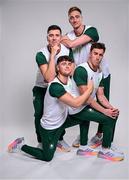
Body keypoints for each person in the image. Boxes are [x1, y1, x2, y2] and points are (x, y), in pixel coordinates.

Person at [8, 55, 93, 162]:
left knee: (85, 116)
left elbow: (74, 100)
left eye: (69, 64)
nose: (67, 66)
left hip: (63, 121)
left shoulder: (70, 81)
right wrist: (89, 90)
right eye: (63, 64)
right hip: (50, 127)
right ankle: (20, 145)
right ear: (57, 68)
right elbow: (75, 103)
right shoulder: (55, 86)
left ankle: (84, 146)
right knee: (47, 157)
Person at [61, 6, 111, 147]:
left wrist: (65, 40)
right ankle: (83, 138)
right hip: (83, 72)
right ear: (69, 20)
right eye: (71, 17)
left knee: (102, 101)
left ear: (81, 17)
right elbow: (67, 55)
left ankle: (100, 135)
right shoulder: (69, 34)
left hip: (100, 72)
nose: (74, 19)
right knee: (85, 102)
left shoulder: (91, 30)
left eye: (77, 16)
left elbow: (71, 44)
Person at [68, 42, 124, 161]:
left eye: (100, 54)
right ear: (90, 54)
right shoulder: (81, 70)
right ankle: (105, 150)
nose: (98, 57)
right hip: (76, 107)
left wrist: (110, 108)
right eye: (95, 53)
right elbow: (87, 98)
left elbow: (101, 95)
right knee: (108, 118)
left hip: (85, 106)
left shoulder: (99, 72)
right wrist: (105, 111)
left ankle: (83, 147)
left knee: (113, 113)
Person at [32, 25, 74, 152]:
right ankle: (41, 141)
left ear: (61, 37)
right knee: (39, 114)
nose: (54, 38)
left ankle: (59, 139)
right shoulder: (41, 54)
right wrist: (53, 54)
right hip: (42, 88)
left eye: (57, 35)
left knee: (61, 112)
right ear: (47, 38)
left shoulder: (67, 50)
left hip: (59, 87)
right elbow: (49, 78)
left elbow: (70, 70)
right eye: (51, 35)